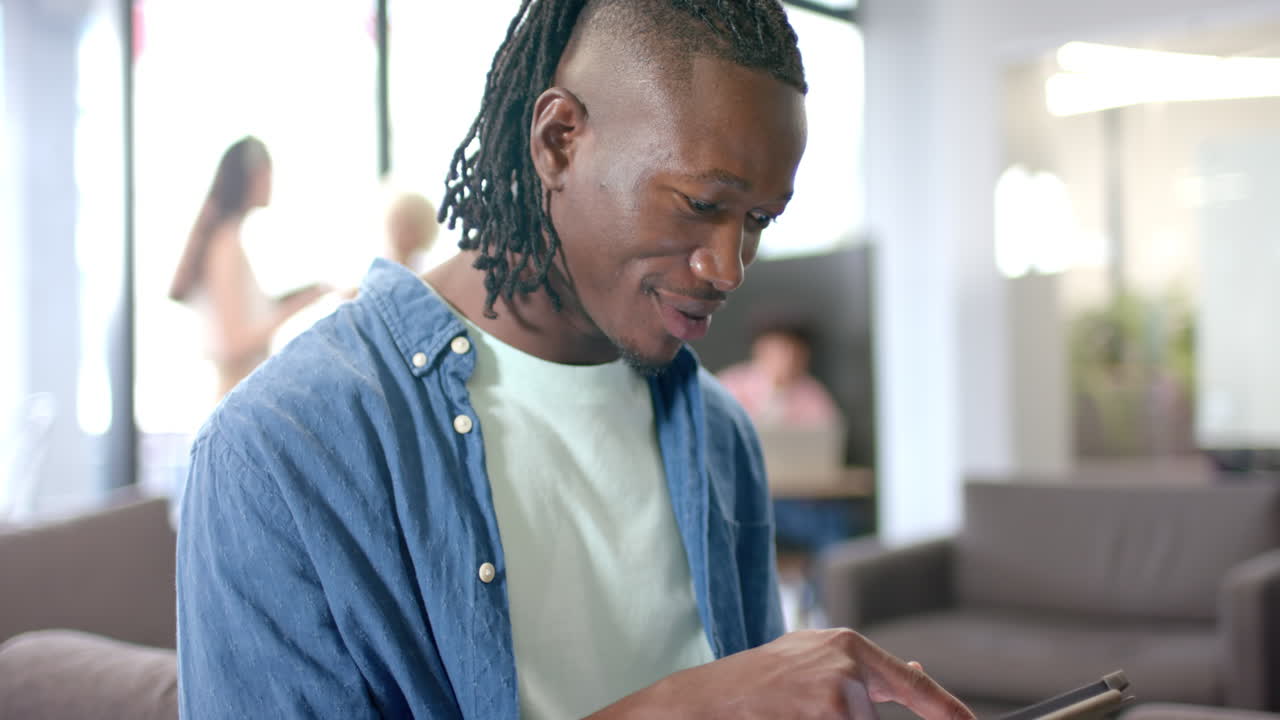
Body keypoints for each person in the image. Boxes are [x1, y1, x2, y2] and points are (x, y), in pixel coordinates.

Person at [177, 3, 974, 719]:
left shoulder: (720, 435)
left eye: (758, 219)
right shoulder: (281, 451)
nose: (730, 268)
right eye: (702, 204)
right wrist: (690, 704)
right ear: (559, 140)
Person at [168, 136, 330, 399]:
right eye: (268, 174)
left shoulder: (228, 240)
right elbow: (233, 343)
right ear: (253, 176)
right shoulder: (225, 244)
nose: (272, 184)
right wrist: (294, 308)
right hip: (234, 396)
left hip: (238, 395)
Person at [719, 320, 841, 427]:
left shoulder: (813, 395)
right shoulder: (731, 385)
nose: (789, 359)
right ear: (760, 348)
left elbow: (828, 437)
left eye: (796, 352)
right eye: (780, 349)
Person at [384, 191, 440, 272]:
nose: (399, 233)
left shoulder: (426, 276)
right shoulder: (377, 271)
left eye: (408, 227)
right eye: (396, 223)